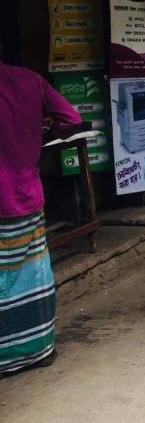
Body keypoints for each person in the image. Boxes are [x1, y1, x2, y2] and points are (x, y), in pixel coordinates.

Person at [0, 46, 82, 373]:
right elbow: (72, 120)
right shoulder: (29, 80)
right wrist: (43, 125)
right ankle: (38, 349)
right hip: (25, 193)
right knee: (32, 273)